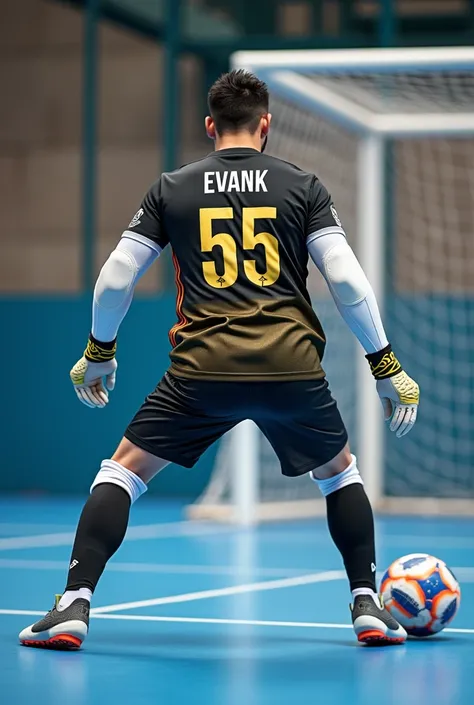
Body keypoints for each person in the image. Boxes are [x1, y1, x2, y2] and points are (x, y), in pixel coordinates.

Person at [19, 69, 419, 650]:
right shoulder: (303, 186)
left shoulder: (171, 188)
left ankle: (75, 605)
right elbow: (348, 283)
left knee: (122, 472)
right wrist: (384, 364)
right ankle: (368, 604)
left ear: (210, 127)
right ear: (266, 125)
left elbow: (115, 280)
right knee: (339, 474)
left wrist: (99, 350)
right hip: (291, 368)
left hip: (202, 369)